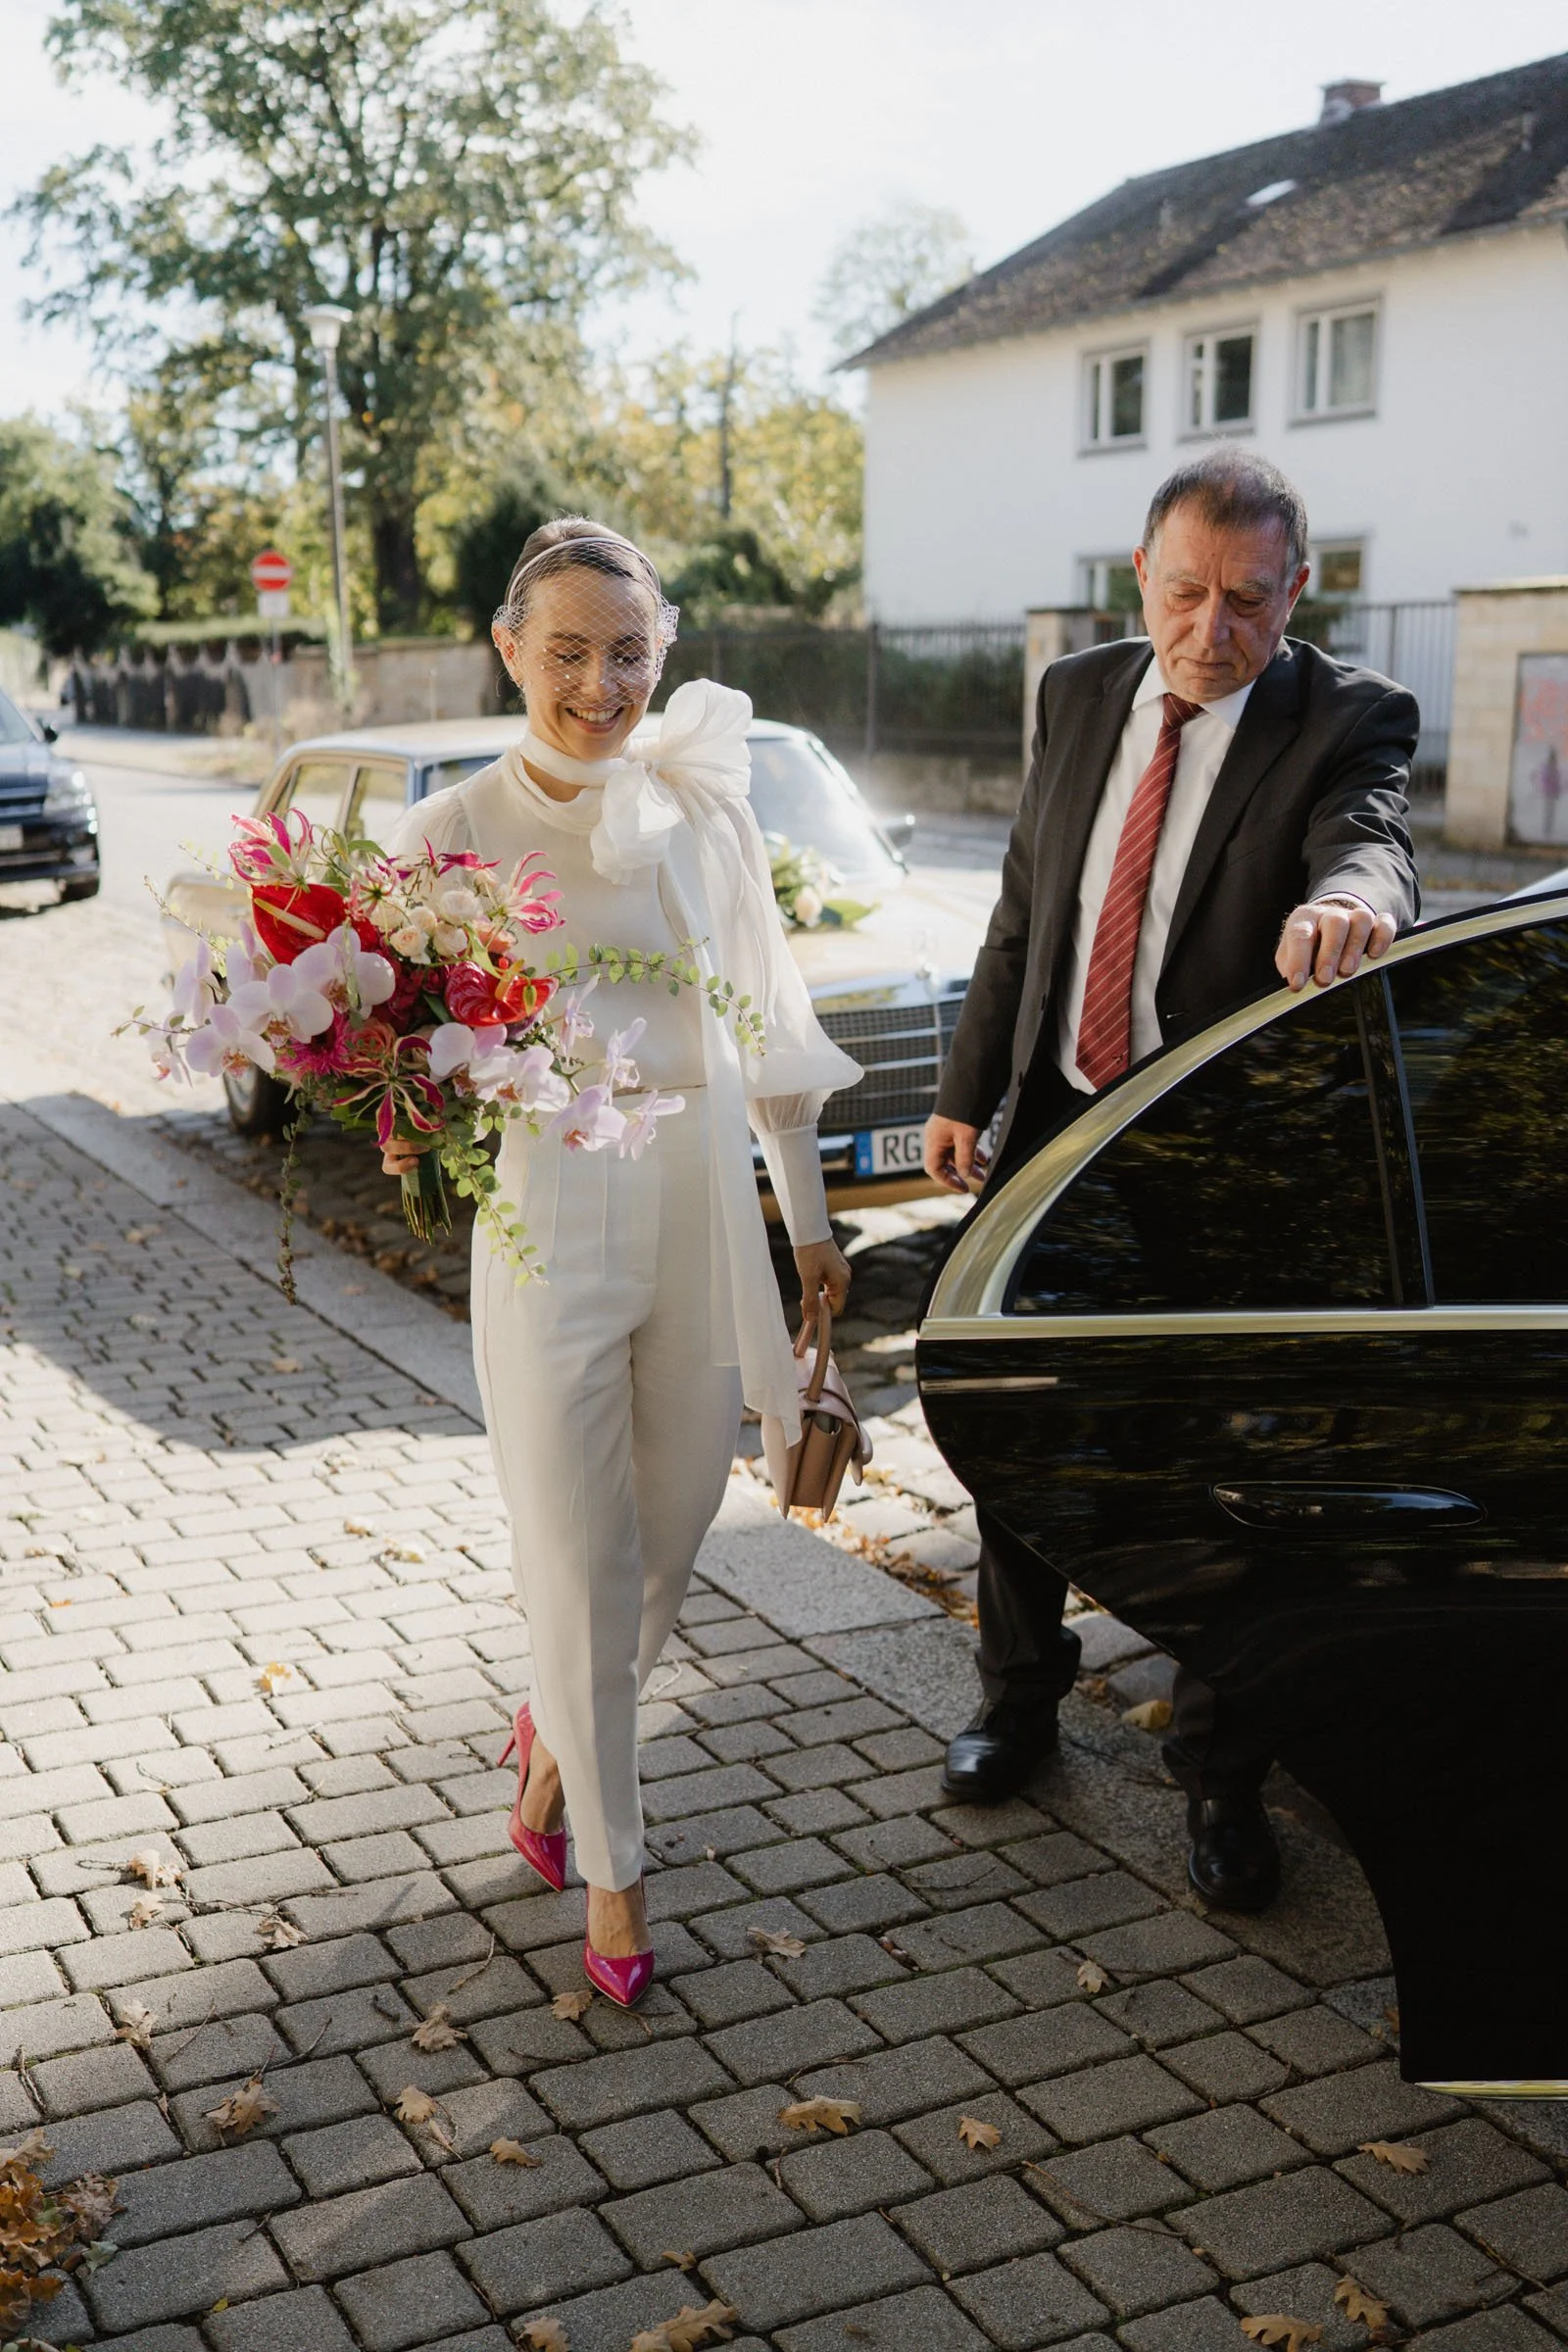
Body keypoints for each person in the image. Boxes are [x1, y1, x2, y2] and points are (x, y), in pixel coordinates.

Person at [923, 449, 1420, 1912]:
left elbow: (1375, 845)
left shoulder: (1350, 717)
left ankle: (1222, 1778)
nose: (1213, 630)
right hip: (1057, 1131)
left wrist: (1352, 901)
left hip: (1217, 1165)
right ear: (1140, 576)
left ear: (1300, 586)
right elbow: (1028, 906)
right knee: (1019, 1433)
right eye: (1187, 594)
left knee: (1225, 1486)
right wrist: (968, 1095)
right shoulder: (1077, 694)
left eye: (1249, 601)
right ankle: (1017, 1699)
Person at [385, 518, 858, 2002]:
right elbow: (397, 1048)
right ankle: (615, 1875)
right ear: (510, 647)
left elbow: (764, 1029)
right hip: (546, 1216)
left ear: (666, 652)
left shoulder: (705, 809)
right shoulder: (448, 827)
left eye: (632, 652)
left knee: (669, 1537)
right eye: (570, 651)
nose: (602, 684)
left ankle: (550, 1755)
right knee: (578, 1562)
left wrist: (811, 1222)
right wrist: (396, 1106)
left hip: (702, 1200)